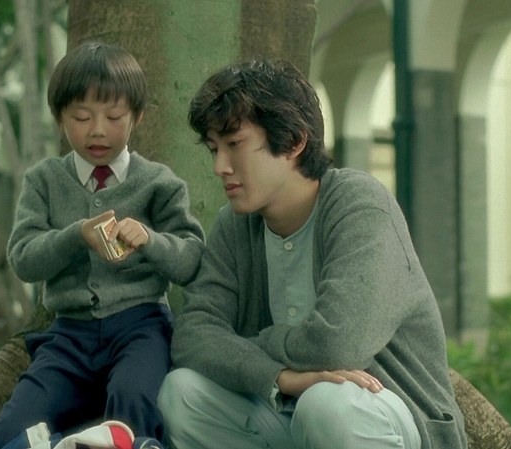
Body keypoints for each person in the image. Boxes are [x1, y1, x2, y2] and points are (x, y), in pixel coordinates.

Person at [156, 58, 468, 449]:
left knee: (326, 405)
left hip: (387, 411)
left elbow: (338, 344)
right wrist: (279, 377)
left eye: (234, 145)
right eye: (214, 148)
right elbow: (193, 335)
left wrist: (254, 345)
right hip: (290, 408)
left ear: (293, 141)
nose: (220, 166)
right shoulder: (235, 227)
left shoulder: (359, 204)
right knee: (181, 393)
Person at [0, 41, 205, 449]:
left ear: (136, 117)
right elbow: (23, 259)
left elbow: (190, 259)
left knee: (133, 401)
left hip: (141, 327)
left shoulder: (159, 183)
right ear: (60, 118)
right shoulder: (44, 181)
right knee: (7, 431)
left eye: (113, 117)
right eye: (81, 117)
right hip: (68, 337)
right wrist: (75, 235)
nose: (97, 129)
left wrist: (151, 240)